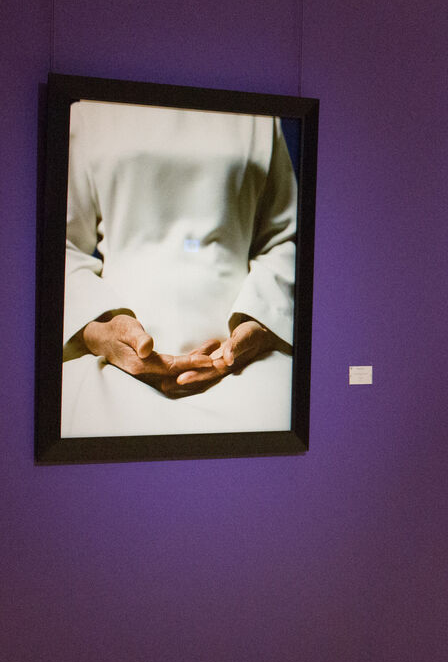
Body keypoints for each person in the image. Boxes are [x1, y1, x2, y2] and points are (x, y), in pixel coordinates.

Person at [61, 99, 296, 437]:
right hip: (112, 363)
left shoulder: (259, 115)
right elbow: (63, 245)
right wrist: (97, 331)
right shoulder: (88, 111)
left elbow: (283, 239)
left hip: (246, 362)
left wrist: (259, 325)